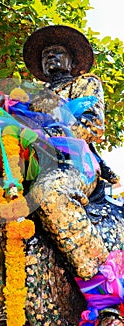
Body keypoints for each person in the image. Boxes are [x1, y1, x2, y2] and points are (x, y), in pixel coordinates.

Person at [22, 25, 116, 280]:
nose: (49, 57)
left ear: (72, 61)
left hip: (74, 162)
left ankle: (100, 282)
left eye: (56, 52)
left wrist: (48, 133)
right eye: (45, 55)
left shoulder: (85, 83)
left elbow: (93, 127)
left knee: (51, 194)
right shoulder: (29, 97)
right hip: (29, 165)